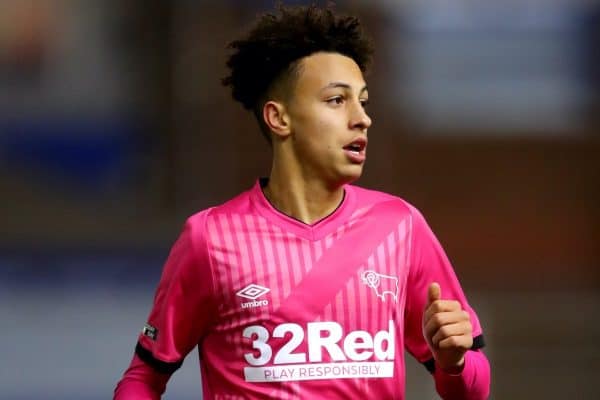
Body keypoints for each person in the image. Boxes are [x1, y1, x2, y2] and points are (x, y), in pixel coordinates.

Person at [114, 4, 490, 399]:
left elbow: (474, 388)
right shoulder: (210, 238)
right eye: (336, 101)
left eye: (363, 101)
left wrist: (455, 365)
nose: (362, 118)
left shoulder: (400, 226)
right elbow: (144, 378)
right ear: (279, 118)